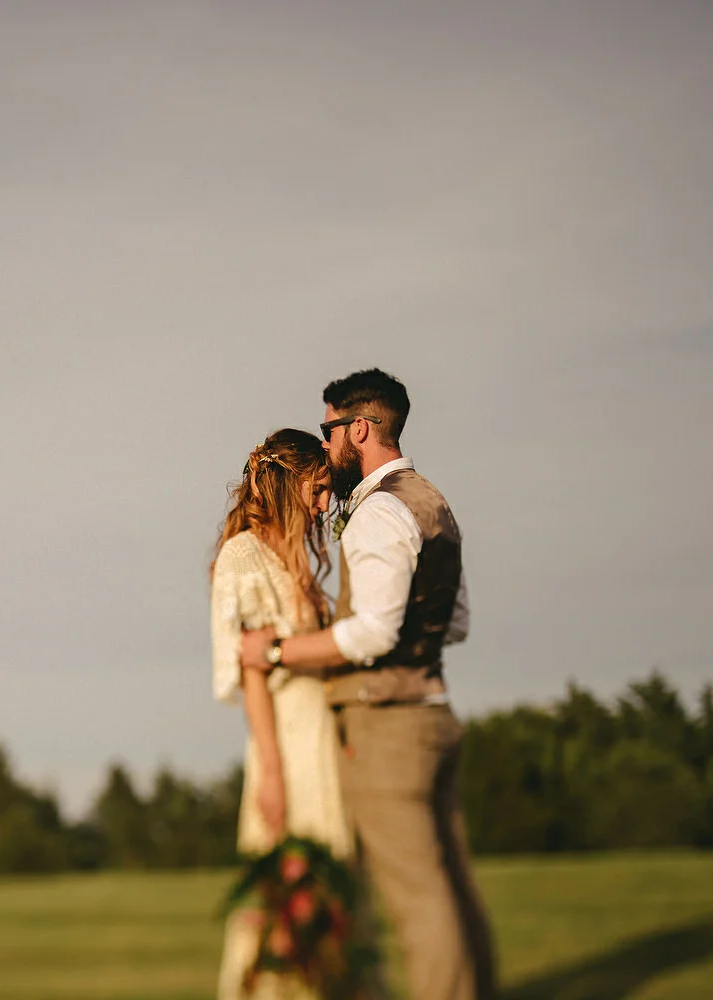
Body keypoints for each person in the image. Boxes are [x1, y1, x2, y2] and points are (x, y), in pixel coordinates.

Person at [240, 369, 498, 1000]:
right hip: (434, 712)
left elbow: (372, 634)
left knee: (418, 901)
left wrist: (276, 649)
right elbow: (454, 624)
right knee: (455, 889)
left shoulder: (378, 509)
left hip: (388, 728)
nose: (325, 446)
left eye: (329, 429)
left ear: (360, 427)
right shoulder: (433, 502)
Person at [209, 427, 352, 1000]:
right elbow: (252, 673)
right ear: (291, 483)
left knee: (331, 895)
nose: (324, 506)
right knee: (284, 901)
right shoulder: (243, 557)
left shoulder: (291, 559)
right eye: (318, 491)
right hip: (286, 748)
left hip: (319, 743)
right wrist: (270, 770)